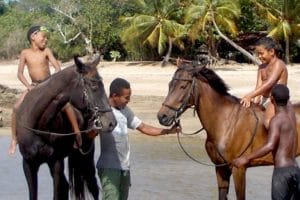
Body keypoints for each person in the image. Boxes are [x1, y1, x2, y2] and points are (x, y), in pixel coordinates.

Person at [96, 78, 179, 200]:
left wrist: (168, 131)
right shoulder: (102, 111)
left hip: (125, 168)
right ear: (114, 96)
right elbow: (89, 134)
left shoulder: (125, 110)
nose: (128, 101)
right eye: (126, 97)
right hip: (109, 167)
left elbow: (143, 127)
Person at [8, 25, 81, 155]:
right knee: (16, 107)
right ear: (33, 37)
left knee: (67, 105)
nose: (46, 40)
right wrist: (28, 86)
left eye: (46, 38)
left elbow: (57, 68)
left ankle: (76, 133)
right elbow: (20, 74)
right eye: (43, 37)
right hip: (34, 86)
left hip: (48, 86)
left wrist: (51, 83)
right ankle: (14, 139)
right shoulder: (25, 53)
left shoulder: (46, 51)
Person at [233, 84, 300, 200]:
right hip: (295, 170)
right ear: (288, 99)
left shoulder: (276, 120)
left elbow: (270, 145)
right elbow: (286, 101)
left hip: (282, 173)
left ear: (272, 99)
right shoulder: (292, 117)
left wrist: (246, 158)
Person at [240, 37, 288, 129]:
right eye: (258, 54)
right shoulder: (261, 67)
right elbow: (259, 85)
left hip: (275, 100)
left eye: (261, 53)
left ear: (272, 52)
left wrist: (249, 95)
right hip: (263, 98)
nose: (259, 56)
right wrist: (255, 100)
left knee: (267, 122)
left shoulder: (279, 64)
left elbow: (269, 83)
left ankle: (278, 142)